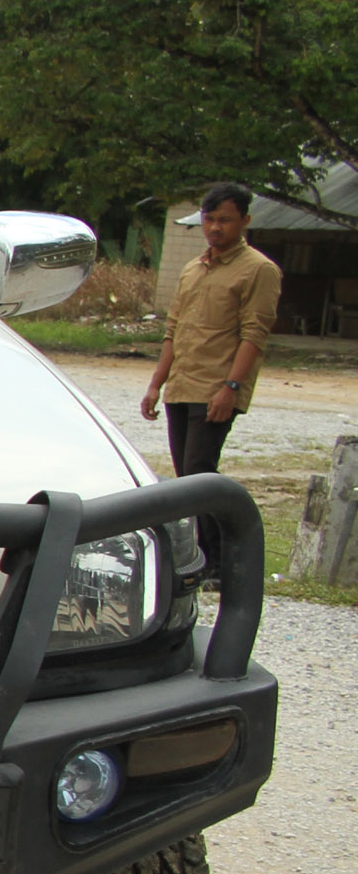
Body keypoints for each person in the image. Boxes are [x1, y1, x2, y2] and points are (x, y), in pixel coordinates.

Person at [141, 181, 282, 578]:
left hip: (218, 387)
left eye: (225, 220)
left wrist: (231, 388)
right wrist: (156, 384)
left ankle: (220, 562)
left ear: (245, 221)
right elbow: (174, 330)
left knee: (200, 472)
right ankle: (200, 558)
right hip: (182, 385)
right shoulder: (192, 268)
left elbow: (254, 335)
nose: (216, 227)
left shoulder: (259, 269)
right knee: (187, 478)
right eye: (210, 219)